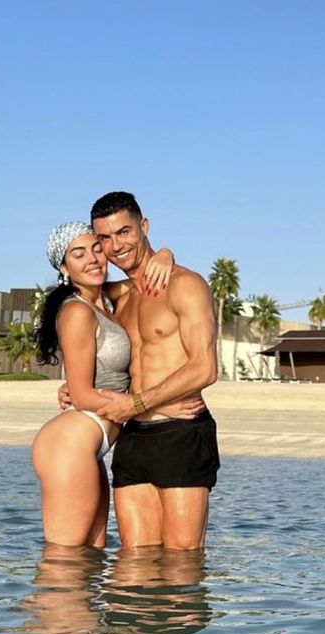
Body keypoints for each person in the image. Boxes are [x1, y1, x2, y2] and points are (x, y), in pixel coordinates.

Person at [62, 192, 219, 551]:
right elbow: (77, 319)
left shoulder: (185, 285)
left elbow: (204, 368)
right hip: (133, 438)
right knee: (134, 562)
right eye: (104, 238)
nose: (116, 246)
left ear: (144, 227)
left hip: (181, 433)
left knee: (181, 562)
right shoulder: (115, 297)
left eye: (125, 232)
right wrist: (75, 386)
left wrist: (135, 404)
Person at [32, 222, 199, 547]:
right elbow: (80, 395)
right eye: (78, 254)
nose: (93, 259)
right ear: (64, 268)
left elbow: (141, 280)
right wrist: (154, 404)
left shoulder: (106, 302)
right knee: (63, 562)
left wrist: (165, 254)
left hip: (90, 445)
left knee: (90, 559)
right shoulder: (78, 311)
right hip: (70, 444)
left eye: (97, 248)